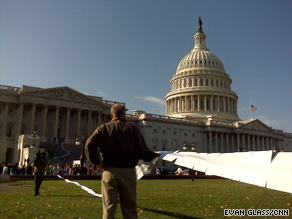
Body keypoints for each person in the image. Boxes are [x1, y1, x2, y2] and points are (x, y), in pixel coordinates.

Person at [85, 103, 160, 219]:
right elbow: (143, 152)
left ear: (112, 115)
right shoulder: (132, 129)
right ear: (124, 114)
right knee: (129, 209)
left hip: (109, 172)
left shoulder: (103, 128)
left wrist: (97, 162)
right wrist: (154, 155)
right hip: (128, 172)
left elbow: (89, 145)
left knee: (109, 209)